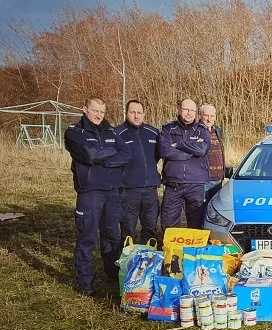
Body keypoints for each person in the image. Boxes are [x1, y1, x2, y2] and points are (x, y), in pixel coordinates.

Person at [64, 97, 131, 296]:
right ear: (85, 109)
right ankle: (85, 281)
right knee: (88, 237)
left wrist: (105, 160)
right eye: (95, 111)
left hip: (112, 191)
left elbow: (126, 153)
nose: (99, 115)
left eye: (102, 111)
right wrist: (109, 154)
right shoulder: (74, 132)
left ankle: (112, 273)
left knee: (111, 234)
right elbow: (88, 155)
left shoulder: (110, 131)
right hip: (90, 192)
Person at [159, 98, 211, 230]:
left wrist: (179, 144)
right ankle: (171, 249)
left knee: (196, 225)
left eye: (192, 110)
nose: (189, 113)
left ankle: (194, 250)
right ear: (179, 110)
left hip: (196, 183)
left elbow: (202, 149)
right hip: (173, 184)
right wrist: (189, 153)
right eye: (186, 109)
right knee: (169, 224)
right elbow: (165, 150)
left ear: (196, 113)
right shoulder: (168, 129)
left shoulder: (202, 130)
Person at [115, 100, 161, 244]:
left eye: (139, 113)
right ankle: (127, 262)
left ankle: (148, 261)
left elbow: (159, 155)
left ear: (144, 114)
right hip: (128, 190)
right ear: (126, 113)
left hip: (150, 189)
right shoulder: (117, 133)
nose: (136, 116)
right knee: (128, 230)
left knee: (150, 227)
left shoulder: (153, 133)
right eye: (132, 112)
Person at [198, 103, 226, 202]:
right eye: (206, 115)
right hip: (202, 181)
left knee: (214, 212)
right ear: (200, 115)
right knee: (201, 211)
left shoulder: (217, 130)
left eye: (212, 116)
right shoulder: (195, 131)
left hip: (218, 180)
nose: (209, 119)